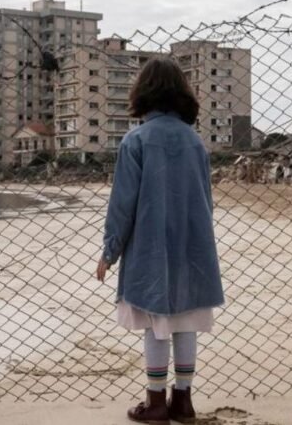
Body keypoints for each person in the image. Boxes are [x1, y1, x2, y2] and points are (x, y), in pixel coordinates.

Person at [96, 57, 225, 424]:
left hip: (151, 246)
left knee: (157, 324)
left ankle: (154, 402)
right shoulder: (195, 141)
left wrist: (110, 251)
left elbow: (123, 203)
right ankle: (182, 400)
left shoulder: (136, 140)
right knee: (186, 319)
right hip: (193, 244)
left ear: (143, 93)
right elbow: (206, 198)